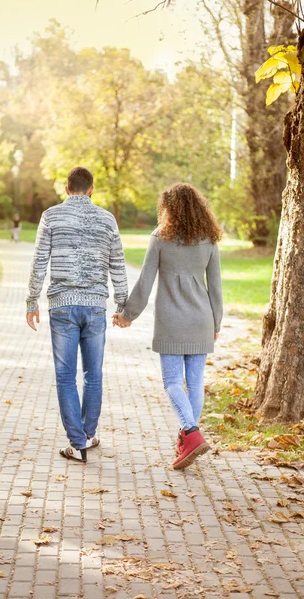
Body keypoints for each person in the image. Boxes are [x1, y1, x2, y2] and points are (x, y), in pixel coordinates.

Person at [113, 183, 223, 470]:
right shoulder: (209, 239)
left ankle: (191, 433)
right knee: (195, 382)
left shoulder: (160, 238)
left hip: (172, 321)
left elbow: (145, 282)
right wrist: (217, 321)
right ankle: (188, 437)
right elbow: (216, 287)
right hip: (202, 319)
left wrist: (128, 314)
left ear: (168, 208)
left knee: (173, 382)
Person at [26, 167, 128, 464]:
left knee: (65, 375)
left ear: (67, 189)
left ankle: (77, 442)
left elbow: (38, 262)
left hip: (62, 307)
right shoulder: (108, 219)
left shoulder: (51, 216)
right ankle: (87, 434)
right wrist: (122, 306)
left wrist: (31, 300)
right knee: (93, 374)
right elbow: (118, 266)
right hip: (96, 307)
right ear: (91, 189)